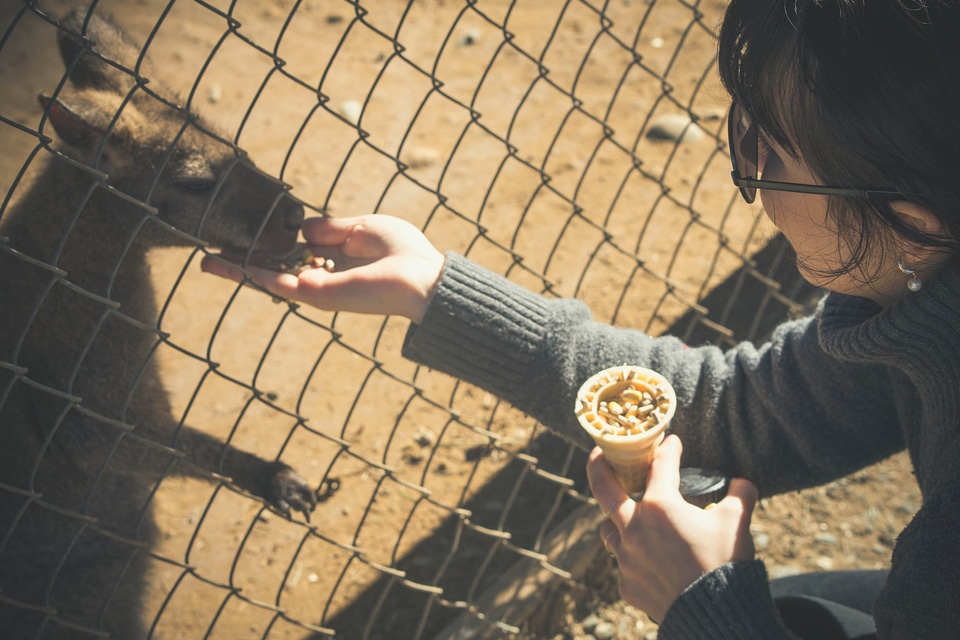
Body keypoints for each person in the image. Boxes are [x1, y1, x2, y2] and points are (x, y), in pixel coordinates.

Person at [202, 1, 960, 638]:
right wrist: (436, 290)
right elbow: (760, 411)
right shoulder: (921, 284)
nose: (753, 182)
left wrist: (707, 608)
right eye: (743, 132)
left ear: (911, 220)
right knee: (797, 607)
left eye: (771, 154)